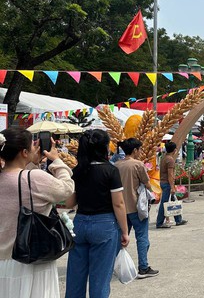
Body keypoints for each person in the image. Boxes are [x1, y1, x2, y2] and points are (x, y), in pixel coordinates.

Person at [0, 128, 74, 298]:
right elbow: (67, 189)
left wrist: (31, 161)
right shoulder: (34, 178)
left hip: (3, 262)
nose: (35, 149)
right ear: (24, 152)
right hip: (31, 260)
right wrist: (57, 161)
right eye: (32, 146)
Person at [65, 130, 130, 298]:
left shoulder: (77, 170)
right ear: (105, 147)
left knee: (75, 276)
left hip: (79, 223)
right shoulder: (110, 171)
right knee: (100, 279)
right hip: (104, 224)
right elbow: (118, 203)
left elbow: (70, 203)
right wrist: (124, 231)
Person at [114, 138, 159, 279]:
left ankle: (112, 265)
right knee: (142, 237)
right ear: (135, 150)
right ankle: (143, 268)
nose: (140, 152)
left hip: (120, 208)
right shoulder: (138, 165)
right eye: (139, 149)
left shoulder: (116, 165)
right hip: (136, 207)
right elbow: (146, 183)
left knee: (119, 238)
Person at [156, 142, 187, 228]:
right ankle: (159, 222)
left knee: (173, 201)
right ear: (174, 150)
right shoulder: (170, 160)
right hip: (167, 183)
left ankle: (178, 219)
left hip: (163, 182)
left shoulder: (164, 158)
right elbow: (170, 175)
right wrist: (172, 186)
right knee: (164, 203)